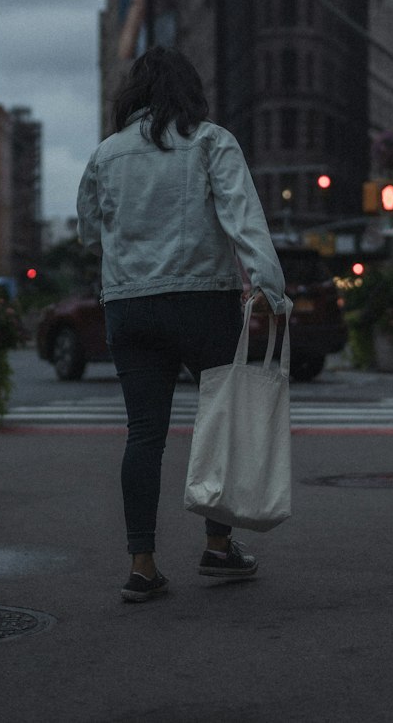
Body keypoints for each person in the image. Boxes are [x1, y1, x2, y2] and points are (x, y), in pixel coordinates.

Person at [77, 44, 286, 605]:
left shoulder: (106, 154)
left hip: (131, 304)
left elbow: (89, 232)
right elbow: (243, 216)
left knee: (143, 433)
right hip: (202, 300)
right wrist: (271, 286)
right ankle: (218, 547)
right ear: (188, 91)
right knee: (218, 423)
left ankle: (141, 565)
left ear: (133, 95)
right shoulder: (212, 141)